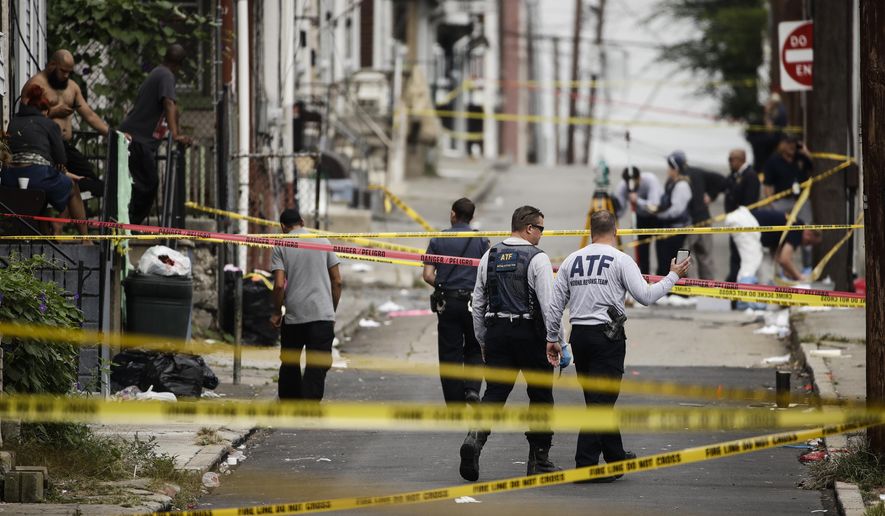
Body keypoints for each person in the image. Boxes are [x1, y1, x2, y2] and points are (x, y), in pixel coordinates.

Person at [546, 210, 690, 482]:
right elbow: (645, 296)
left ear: (590, 231)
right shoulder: (621, 260)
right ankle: (586, 466)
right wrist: (673, 277)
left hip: (580, 337)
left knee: (598, 399)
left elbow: (555, 305)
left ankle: (615, 458)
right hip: (607, 338)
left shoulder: (571, 261)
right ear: (616, 231)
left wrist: (553, 338)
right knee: (601, 402)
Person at [459, 205, 561, 481]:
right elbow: (549, 305)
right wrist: (555, 339)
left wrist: (483, 339)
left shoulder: (489, 256)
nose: (542, 233)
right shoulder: (537, 258)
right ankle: (538, 459)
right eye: (540, 228)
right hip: (530, 333)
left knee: (494, 393)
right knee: (540, 395)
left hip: (497, 333)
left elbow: (477, 303)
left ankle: (475, 440)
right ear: (528, 228)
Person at [269, 209, 343, 400]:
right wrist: (330, 311)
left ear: (283, 227)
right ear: (302, 221)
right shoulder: (324, 242)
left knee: (289, 362)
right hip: (322, 315)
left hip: (295, 316)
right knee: (317, 364)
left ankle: (289, 404)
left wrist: (277, 312)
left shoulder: (281, 245)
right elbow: (337, 281)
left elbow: (278, 285)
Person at [422, 198, 490, 405]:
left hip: (448, 303)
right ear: (472, 217)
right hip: (474, 303)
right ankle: (471, 389)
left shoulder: (437, 240)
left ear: (453, 214)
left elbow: (427, 274)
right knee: (475, 347)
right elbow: (487, 274)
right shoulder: (482, 242)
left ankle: (454, 403)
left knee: (450, 352)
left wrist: (443, 285)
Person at [22, 50, 115, 198]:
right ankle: (60, 219)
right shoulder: (35, 85)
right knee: (59, 184)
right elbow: (25, 119)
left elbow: (90, 116)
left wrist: (113, 135)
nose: (66, 75)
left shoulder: (72, 87)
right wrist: (53, 112)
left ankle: (67, 218)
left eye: (69, 72)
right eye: (63, 71)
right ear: (52, 65)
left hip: (65, 146)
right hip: (45, 147)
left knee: (93, 183)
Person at [1, 84, 89, 237]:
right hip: (37, 174)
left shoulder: (14, 122)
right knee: (72, 188)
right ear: (44, 111)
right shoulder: (49, 124)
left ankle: (44, 235)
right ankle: (85, 238)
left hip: (10, 177)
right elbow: (61, 158)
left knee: (39, 195)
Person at [120, 44, 193, 224]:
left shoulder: (157, 73)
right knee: (148, 184)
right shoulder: (167, 76)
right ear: (179, 64)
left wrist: (176, 123)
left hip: (136, 138)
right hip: (137, 140)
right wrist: (175, 135)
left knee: (140, 184)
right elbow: (168, 103)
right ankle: (130, 225)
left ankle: (128, 224)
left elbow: (172, 108)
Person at [674, 150, 726, 280]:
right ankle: (708, 291)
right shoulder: (698, 172)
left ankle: (691, 291)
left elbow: (722, 181)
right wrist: (711, 195)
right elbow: (723, 181)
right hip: (704, 220)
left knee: (685, 258)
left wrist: (711, 195)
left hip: (691, 223)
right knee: (705, 257)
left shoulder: (680, 178)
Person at [612, 166, 663, 274]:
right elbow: (620, 209)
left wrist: (637, 200)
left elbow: (654, 206)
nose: (631, 186)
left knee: (662, 252)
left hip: (658, 218)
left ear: (639, 178)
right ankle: (644, 278)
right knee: (642, 252)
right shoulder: (624, 186)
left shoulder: (650, 180)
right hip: (640, 219)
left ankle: (661, 279)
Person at [652, 152, 693, 277]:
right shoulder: (671, 183)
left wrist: (658, 214)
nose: (667, 169)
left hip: (676, 232)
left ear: (675, 168)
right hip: (667, 230)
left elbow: (676, 210)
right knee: (663, 263)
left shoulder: (682, 185)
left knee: (673, 264)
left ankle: (677, 294)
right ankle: (665, 293)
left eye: (669, 167)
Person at [752, 209, 822, 281]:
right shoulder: (798, 229)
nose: (806, 246)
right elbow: (784, 260)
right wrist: (800, 277)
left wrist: (790, 273)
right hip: (750, 228)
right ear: (808, 233)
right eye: (809, 242)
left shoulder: (795, 224)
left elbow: (777, 256)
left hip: (751, 224)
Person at [724, 149, 761, 284]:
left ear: (740, 159)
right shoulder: (734, 176)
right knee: (734, 255)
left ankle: (736, 282)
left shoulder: (750, 176)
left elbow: (750, 202)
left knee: (741, 256)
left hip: (744, 223)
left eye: (731, 159)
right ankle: (733, 281)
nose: (729, 163)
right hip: (734, 223)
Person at [762, 133, 813, 215]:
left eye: (794, 142)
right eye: (789, 143)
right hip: (782, 201)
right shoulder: (773, 161)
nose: (792, 146)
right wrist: (771, 204)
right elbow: (767, 185)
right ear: (782, 144)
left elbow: (812, 167)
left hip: (801, 199)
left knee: (805, 225)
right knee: (782, 225)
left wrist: (805, 150)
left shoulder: (801, 157)